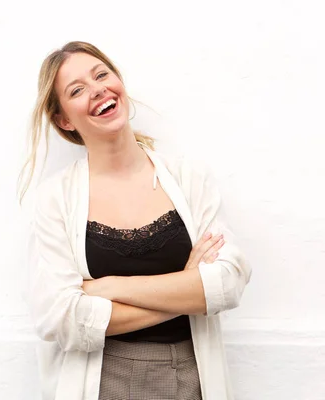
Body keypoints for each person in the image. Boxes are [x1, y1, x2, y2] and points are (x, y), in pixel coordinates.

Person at [19, 41, 252, 400]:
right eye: (77, 90)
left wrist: (107, 287)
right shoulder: (55, 200)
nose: (97, 89)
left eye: (101, 75)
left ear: (118, 82)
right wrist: (189, 287)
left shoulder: (188, 176)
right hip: (100, 381)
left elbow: (228, 282)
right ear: (64, 119)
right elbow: (62, 317)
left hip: (192, 378)